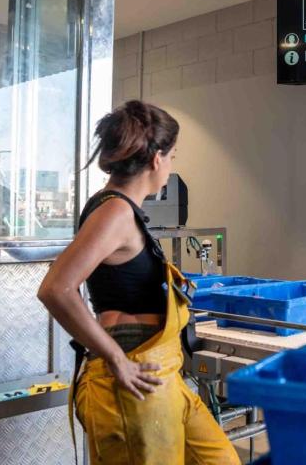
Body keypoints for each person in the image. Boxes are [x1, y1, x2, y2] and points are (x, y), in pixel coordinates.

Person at [38, 101, 238, 465]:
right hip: (131, 373)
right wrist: (116, 359)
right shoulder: (114, 212)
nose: (171, 166)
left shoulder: (123, 210)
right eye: (172, 157)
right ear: (157, 159)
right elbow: (56, 288)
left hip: (161, 367)